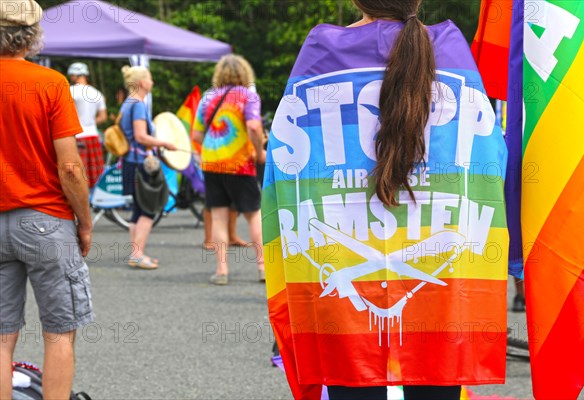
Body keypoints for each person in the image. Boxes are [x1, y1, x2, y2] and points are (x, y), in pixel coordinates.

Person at [262, 1, 509, 400]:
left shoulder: (321, 52)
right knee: (436, 381)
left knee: (351, 380)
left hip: (339, 261)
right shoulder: (449, 48)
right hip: (443, 268)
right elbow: (491, 157)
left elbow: (283, 167)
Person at [0, 1, 94, 399]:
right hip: (46, 219)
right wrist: (85, 221)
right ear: (33, 35)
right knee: (58, 333)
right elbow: (70, 167)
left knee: (2, 336)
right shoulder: (50, 83)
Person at [192, 54, 266, 285]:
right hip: (239, 163)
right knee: (253, 215)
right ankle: (263, 267)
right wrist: (260, 151)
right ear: (245, 74)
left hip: (212, 163)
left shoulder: (207, 98)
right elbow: (254, 126)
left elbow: (196, 134)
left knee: (219, 217)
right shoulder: (249, 97)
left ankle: (222, 270)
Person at [119, 65, 177, 270]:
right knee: (148, 209)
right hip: (140, 163)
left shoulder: (127, 103)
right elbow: (141, 136)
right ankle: (137, 254)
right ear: (143, 82)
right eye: (150, 79)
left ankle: (136, 252)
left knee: (137, 209)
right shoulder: (139, 105)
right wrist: (164, 143)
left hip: (129, 162)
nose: (152, 82)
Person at [68, 62, 108, 188]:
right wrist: (89, 122)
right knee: (94, 173)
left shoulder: (71, 91)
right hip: (93, 136)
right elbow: (103, 117)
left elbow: (68, 114)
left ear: (75, 75)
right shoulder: (97, 93)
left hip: (77, 137)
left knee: (78, 174)